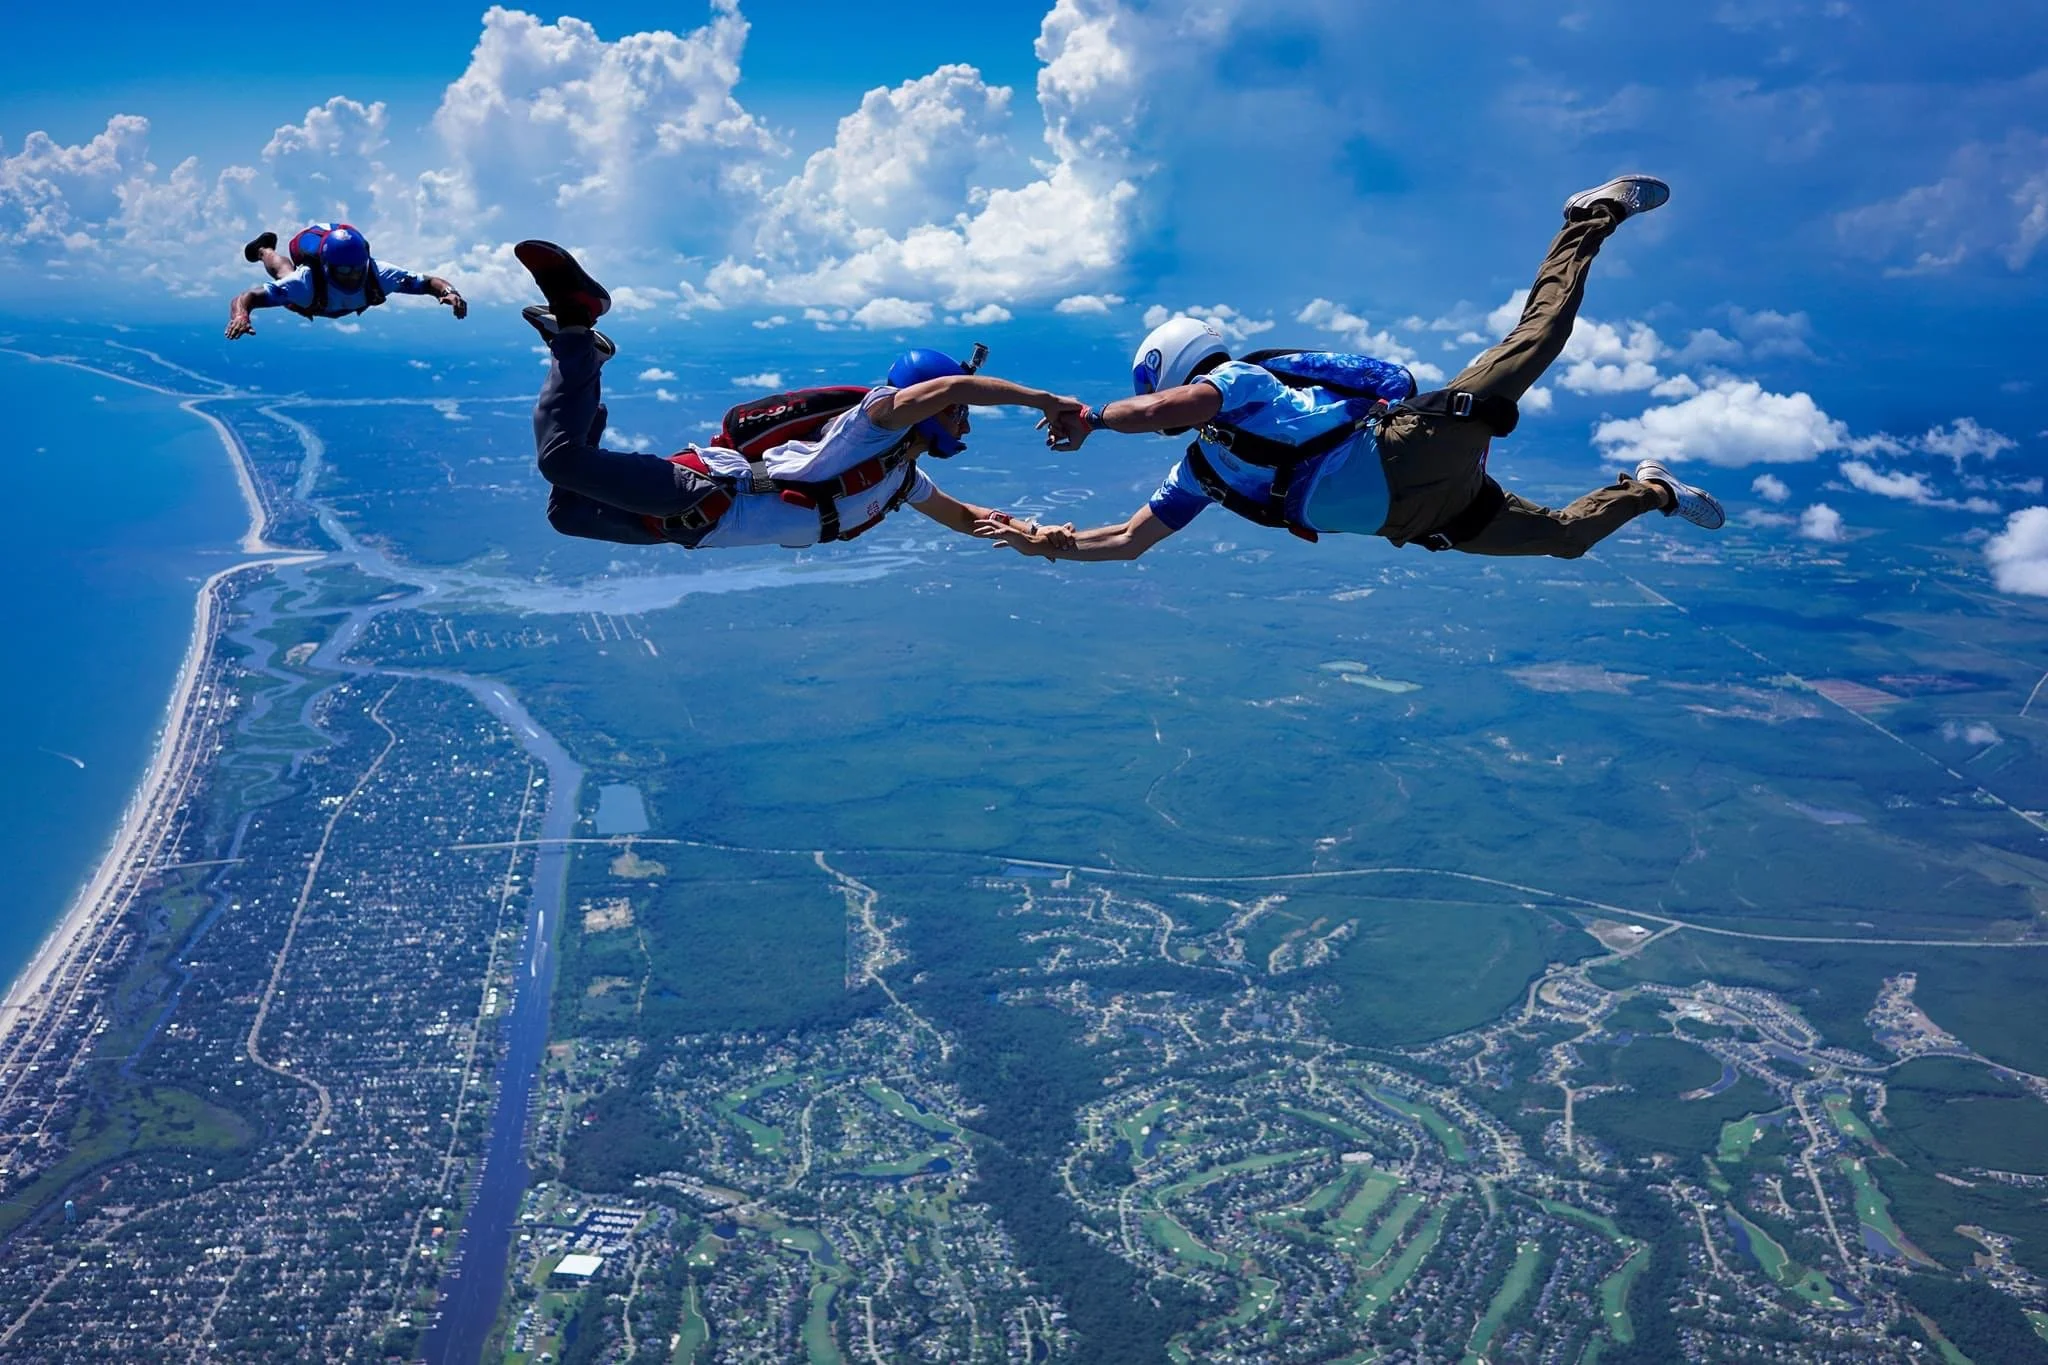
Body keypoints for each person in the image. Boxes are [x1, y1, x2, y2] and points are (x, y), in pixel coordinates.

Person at [984, 175, 1724, 564]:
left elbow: (1158, 414)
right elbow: (1126, 540)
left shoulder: (1241, 383)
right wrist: (1043, 541)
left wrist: (1090, 418)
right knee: (1564, 539)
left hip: (1416, 445)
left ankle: (1587, 217)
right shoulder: (1198, 473)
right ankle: (1654, 490)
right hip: (1421, 515)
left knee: (1542, 335)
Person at [514, 239, 1086, 552]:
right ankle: (577, 329)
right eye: (957, 413)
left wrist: (1033, 535)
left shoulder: (901, 476)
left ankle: (581, 364)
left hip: (680, 529)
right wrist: (1045, 401)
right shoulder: (873, 424)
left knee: (564, 509)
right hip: (694, 493)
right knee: (561, 462)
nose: (964, 423)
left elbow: (964, 516)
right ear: (933, 405)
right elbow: (957, 385)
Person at [225, 223, 467, 339]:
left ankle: (265, 249)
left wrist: (448, 292)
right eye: (344, 272)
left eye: (356, 271)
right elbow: (246, 298)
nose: (352, 277)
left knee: (290, 283)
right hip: (312, 297)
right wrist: (240, 316)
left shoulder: (380, 274)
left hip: (321, 297)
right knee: (285, 275)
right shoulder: (305, 283)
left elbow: (428, 282)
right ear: (328, 267)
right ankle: (263, 250)